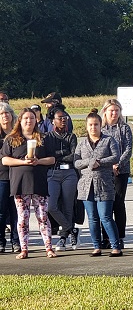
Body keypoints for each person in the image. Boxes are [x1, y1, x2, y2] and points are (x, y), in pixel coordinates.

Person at [1, 108, 56, 259]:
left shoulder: (43, 138)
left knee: (43, 217)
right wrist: (22, 162)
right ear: (20, 120)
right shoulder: (11, 139)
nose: (29, 121)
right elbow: (5, 160)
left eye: (32, 118)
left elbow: (52, 159)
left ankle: (49, 248)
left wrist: (38, 161)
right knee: (22, 218)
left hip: (39, 184)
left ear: (35, 121)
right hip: (20, 184)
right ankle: (24, 248)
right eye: (26, 118)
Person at [75, 110, 122, 257]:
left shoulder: (108, 140)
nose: (93, 127)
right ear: (86, 126)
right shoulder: (81, 144)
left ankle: (116, 246)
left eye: (96, 124)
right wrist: (89, 162)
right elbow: (76, 162)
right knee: (92, 218)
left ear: (101, 125)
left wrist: (100, 162)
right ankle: (96, 246)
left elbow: (116, 156)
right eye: (90, 125)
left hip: (104, 184)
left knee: (105, 216)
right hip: (86, 185)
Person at [100, 99, 133, 249]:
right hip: (104, 172)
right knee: (104, 204)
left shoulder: (124, 128)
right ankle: (106, 237)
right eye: (111, 110)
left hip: (121, 171)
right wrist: (107, 164)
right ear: (105, 111)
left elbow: (128, 149)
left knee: (118, 203)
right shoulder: (100, 129)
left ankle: (119, 236)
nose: (114, 113)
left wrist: (118, 164)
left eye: (117, 110)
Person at [45, 109, 79, 251]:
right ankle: (71, 229)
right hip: (53, 173)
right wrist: (62, 153)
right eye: (60, 118)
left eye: (65, 118)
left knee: (68, 206)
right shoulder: (48, 137)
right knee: (51, 206)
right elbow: (48, 154)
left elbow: (73, 156)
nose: (63, 120)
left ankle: (63, 238)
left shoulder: (71, 137)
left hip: (69, 173)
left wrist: (57, 156)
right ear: (53, 120)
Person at [0, 102, 20, 253]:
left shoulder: (17, 135)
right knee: (1, 210)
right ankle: (1, 241)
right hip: (1, 176)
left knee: (16, 210)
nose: (4, 116)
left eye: (7, 113)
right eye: (1, 114)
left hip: (17, 176)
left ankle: (16, 240)